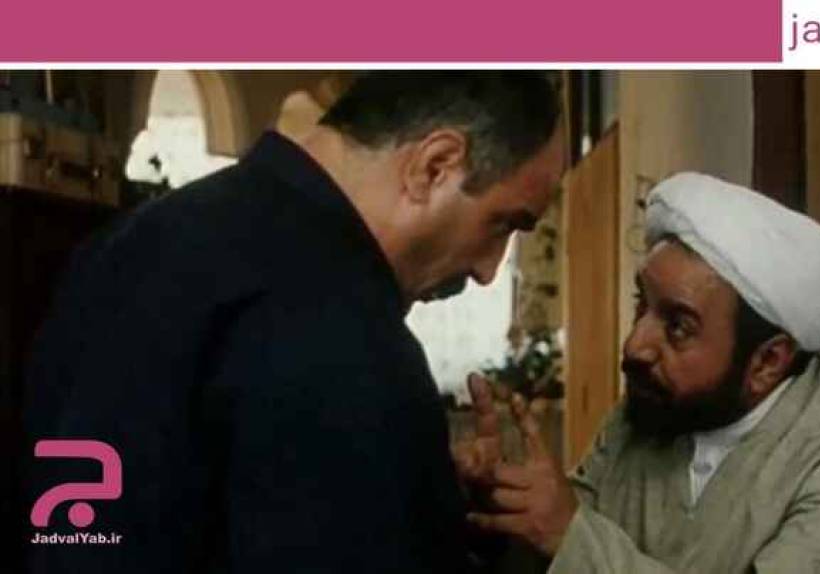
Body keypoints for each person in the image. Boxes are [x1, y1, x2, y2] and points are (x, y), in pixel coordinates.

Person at [22, 71, 565, 573]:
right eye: (503, 224)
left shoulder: (120, 247)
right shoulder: (351, 341)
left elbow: (97, 520)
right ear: (435, 166)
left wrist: (428, 498)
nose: (489, 271)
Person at [467, 172, 820, 572]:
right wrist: (502, 510)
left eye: (678, 326)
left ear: (767, 362)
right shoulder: (654, 408)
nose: (635, 345)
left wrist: (572, 539)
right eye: (641, 304)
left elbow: (572, 538)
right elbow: (557, 543)